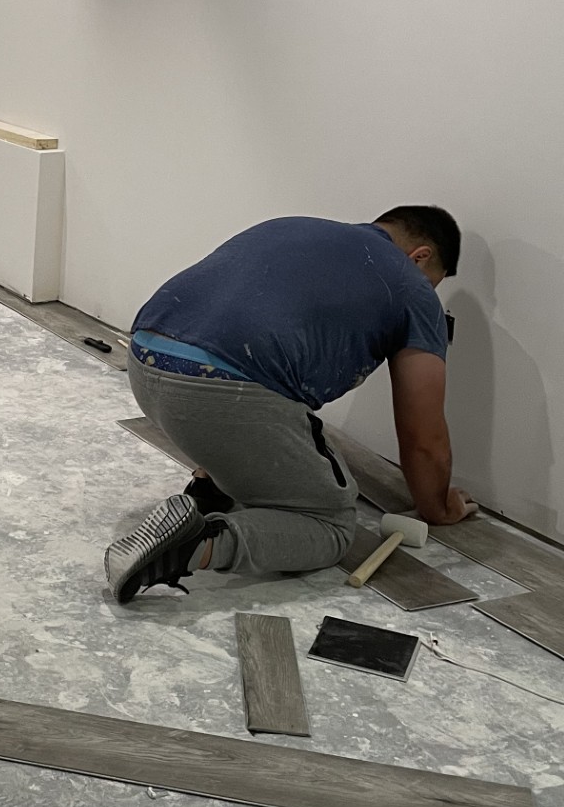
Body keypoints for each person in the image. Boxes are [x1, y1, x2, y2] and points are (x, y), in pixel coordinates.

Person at [105, 205, 476, 605]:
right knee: (330, 528)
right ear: (420, 256)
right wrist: (438, 508)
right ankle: (194, 545)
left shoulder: (292, 226)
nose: (428, 291)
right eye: (432, 282)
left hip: (144, 361)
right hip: (220, 393)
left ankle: (209, 489)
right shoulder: (411, 286)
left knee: (264, 412)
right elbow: (423, 437)